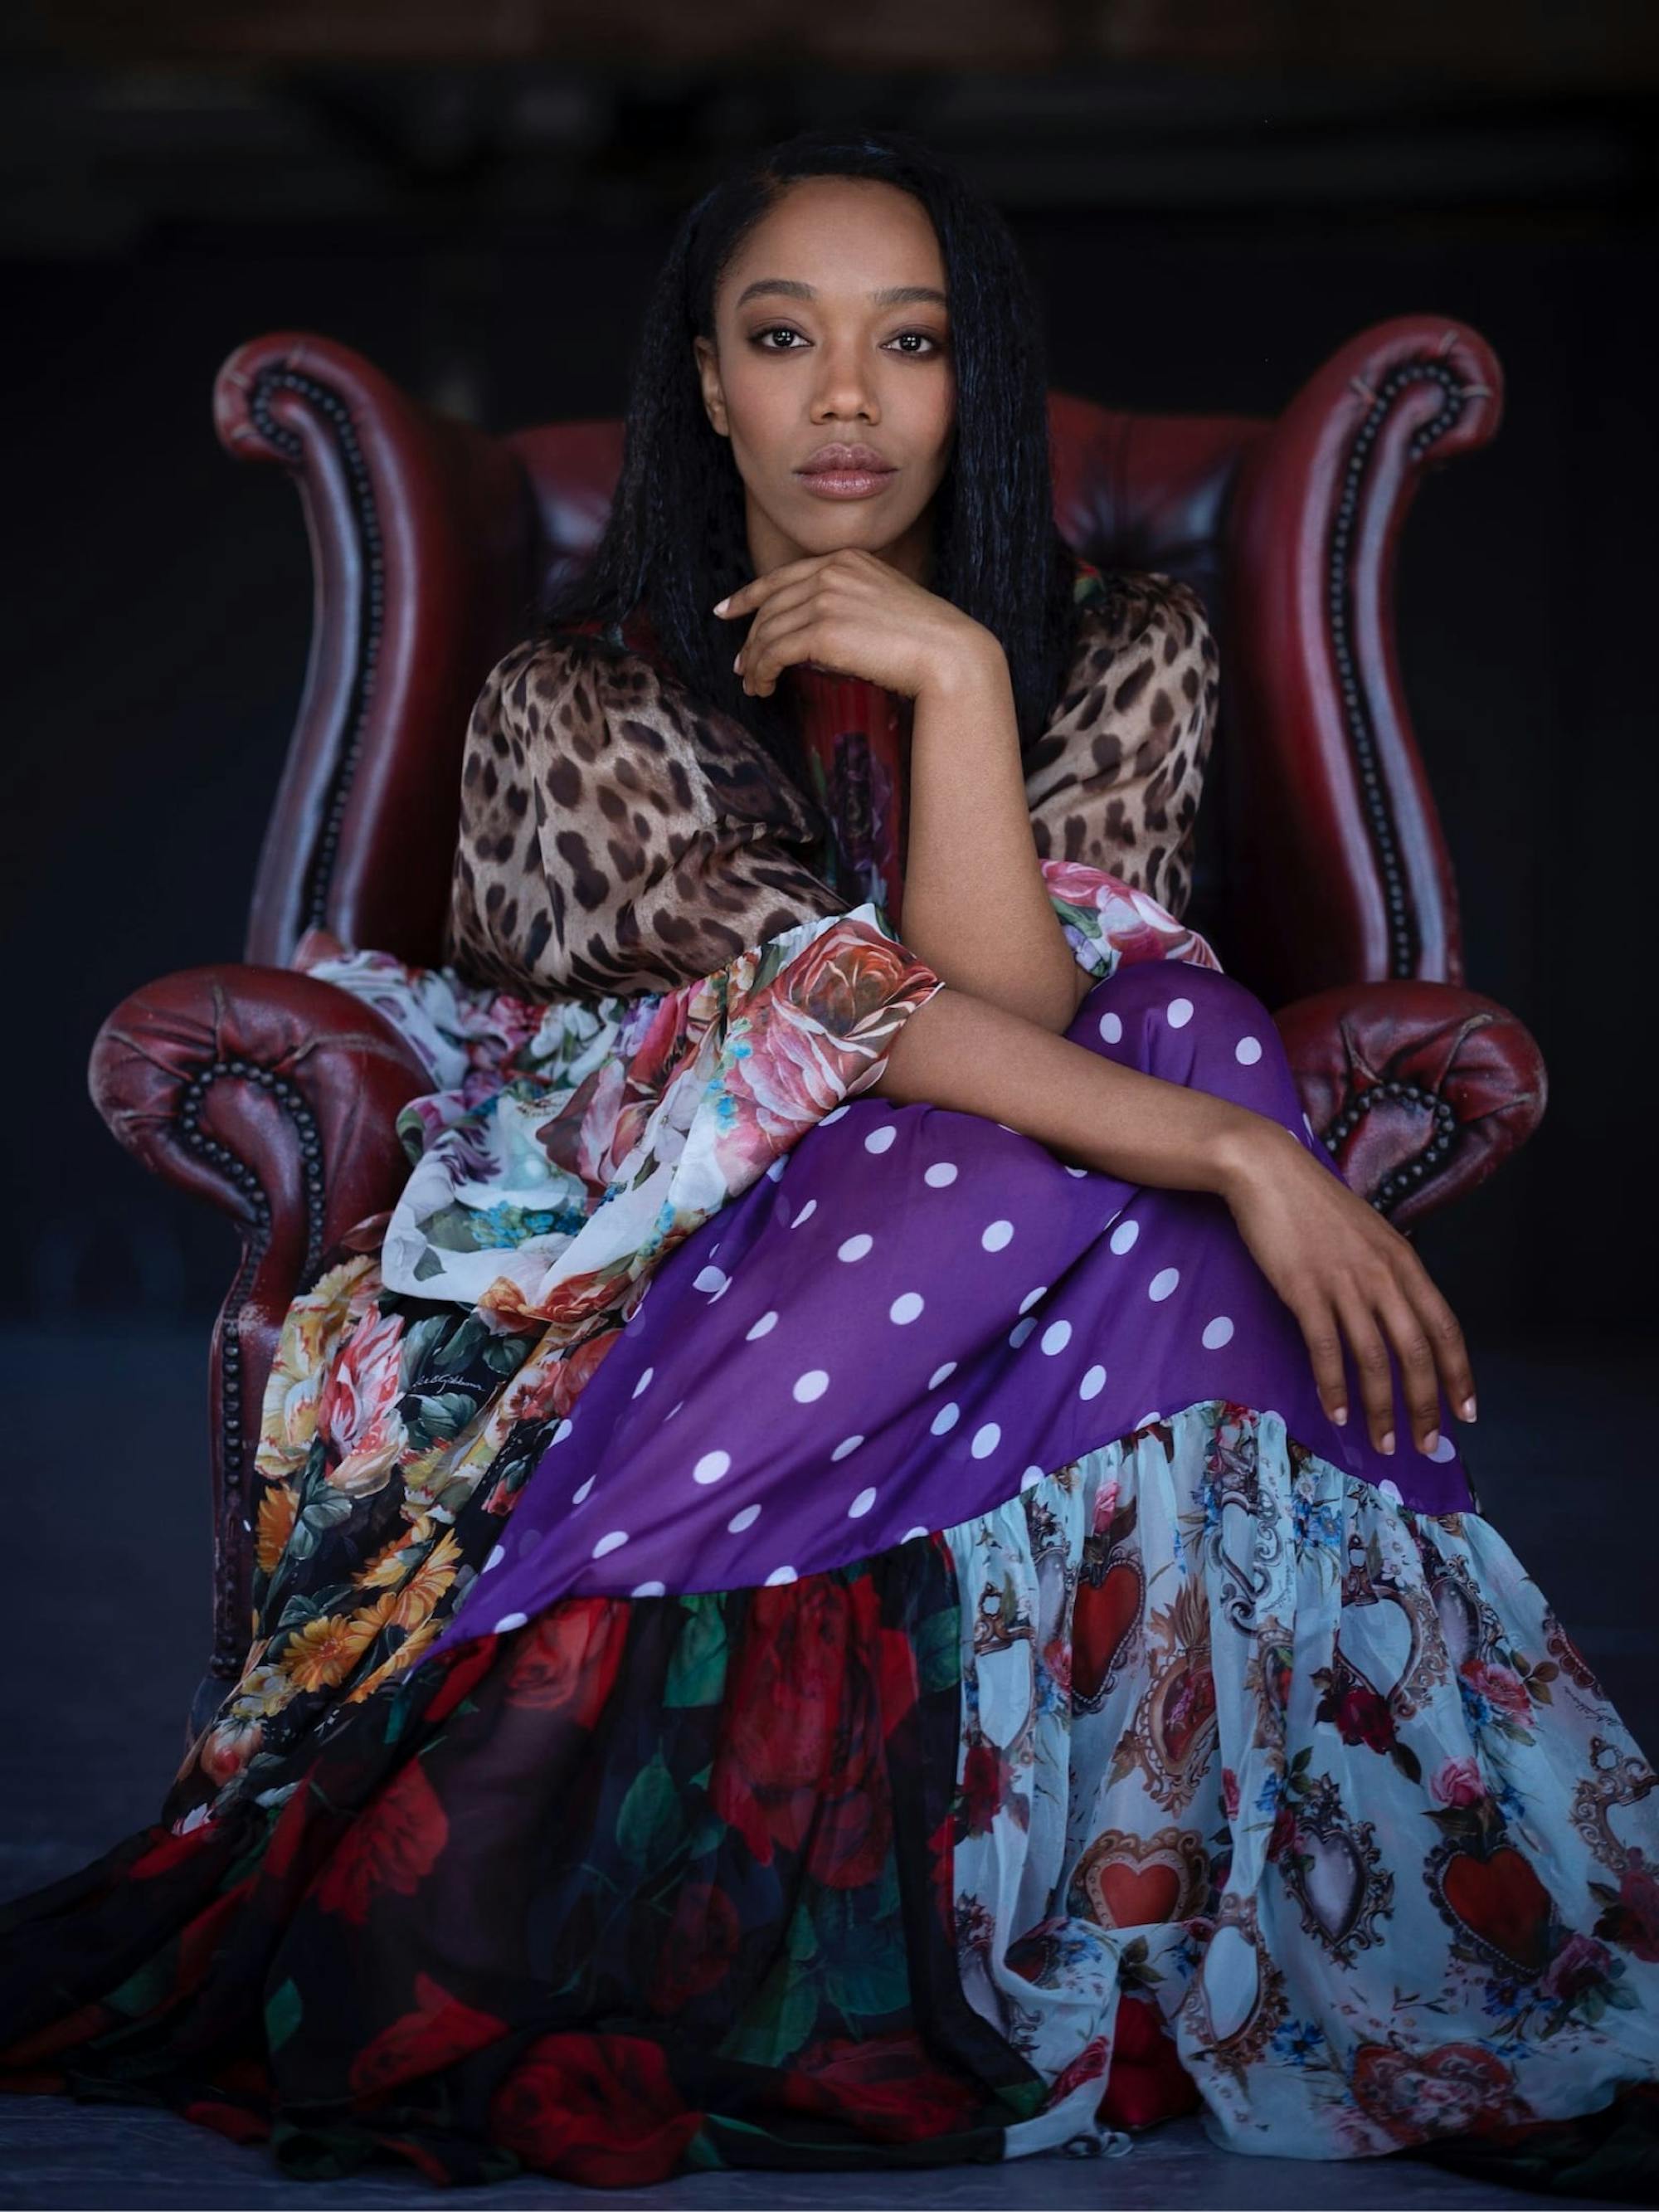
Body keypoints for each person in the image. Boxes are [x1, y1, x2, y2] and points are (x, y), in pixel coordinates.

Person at [2, 125, 1656, 2198]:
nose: (848, 400)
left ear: (980, 383)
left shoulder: (1124, 641)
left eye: (911, 344)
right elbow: (856, 1042)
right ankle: (880, 1864)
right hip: (663, 1263)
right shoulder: (568, 692)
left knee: (1171, 1028)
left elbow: (1043, 1029)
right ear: (708, 381)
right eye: (784, 340)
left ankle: (1143, 1893)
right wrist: (1254, 1157)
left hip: (1012, 1260)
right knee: (1168, 1090)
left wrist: (953, 675)